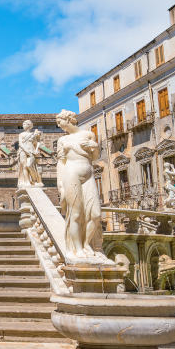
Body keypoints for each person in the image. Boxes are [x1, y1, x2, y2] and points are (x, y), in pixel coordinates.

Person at [55, 110, 103, 259]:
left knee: (95, 214)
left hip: (89, 173)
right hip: (71, 173)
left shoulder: (89, 135)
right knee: (75, 213)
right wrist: (60, 184)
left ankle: (87, 243)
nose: (59, 125)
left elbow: (95, 158)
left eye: (60, 122)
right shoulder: (62, 140)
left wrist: (95, 146)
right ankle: (78, 249)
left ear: (68, 119)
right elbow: (61, 163)